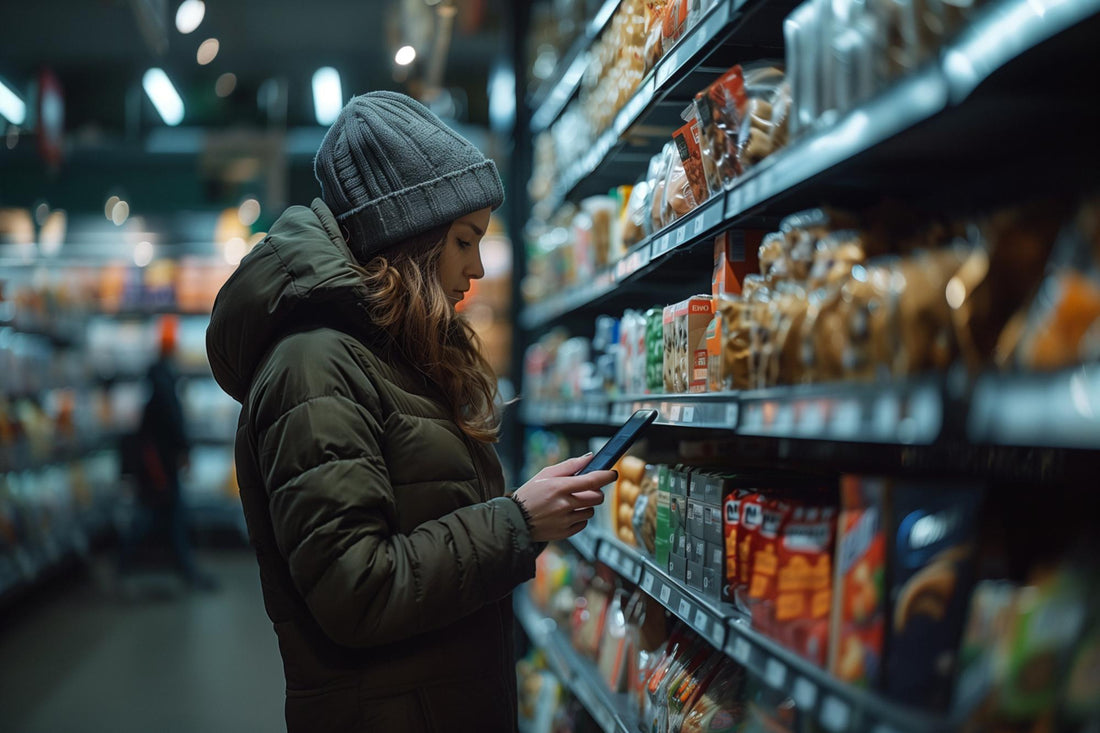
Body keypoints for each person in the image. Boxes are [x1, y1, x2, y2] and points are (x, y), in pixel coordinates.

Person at [205, 91, 611, 733]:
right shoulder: (313, 366)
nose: (476, 268)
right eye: (463, 240)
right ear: (409, 236)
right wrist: (517, 523)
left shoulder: (389, 353)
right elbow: (356, 588)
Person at [117, 316, 217, 591]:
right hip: (159, 463)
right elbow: (172, 419)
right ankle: (126, 564)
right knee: (154, 513)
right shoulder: (163, 378)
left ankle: (185, 570)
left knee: (168, 515)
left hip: (157, 460)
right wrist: (183, 449)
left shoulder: (155, 376)